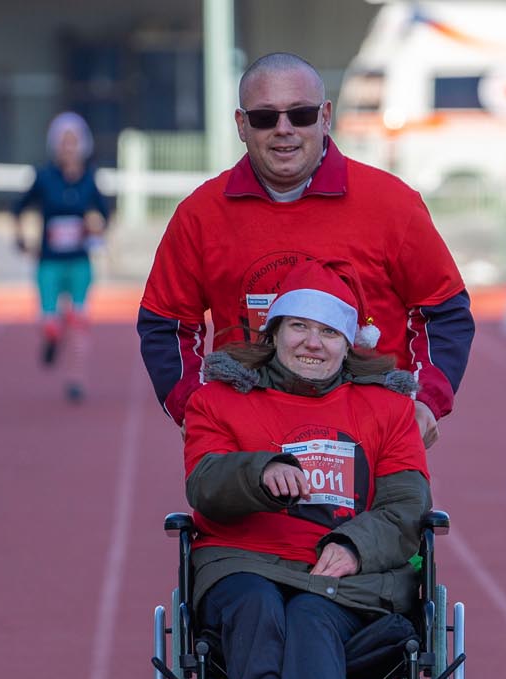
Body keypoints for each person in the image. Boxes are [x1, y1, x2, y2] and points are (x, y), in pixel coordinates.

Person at [185, 258, 432, 679]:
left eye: (327, 331)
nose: (312, 342)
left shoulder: (386, 409)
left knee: (310, 611)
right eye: (297, 327)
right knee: (258, 605)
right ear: (272, 333)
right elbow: (204, 484)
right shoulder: (218, 401)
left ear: (349, 341)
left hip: (344, 581)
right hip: (245, 563)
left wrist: (354, 543)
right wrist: (258, 472)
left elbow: (408, 508)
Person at [138, 52, 475, 449]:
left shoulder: (392, 205)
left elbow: (444, 311)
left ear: (325, 116)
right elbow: (166, 323)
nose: (284, 129)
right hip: (245, 444)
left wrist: (427, 400)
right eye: (265, 117)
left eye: (300, 114)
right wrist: (193, 406)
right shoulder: (200, 214)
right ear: (242, 125)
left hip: (371, 442)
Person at [11, 112, 110, 401]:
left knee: (80, 319)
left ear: (83, 144)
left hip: (79, 260)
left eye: (74, 141)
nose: (69, 147)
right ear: (55, 144)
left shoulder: (91, 178)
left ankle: (76, 378)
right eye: (64, 141)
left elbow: (104, 214)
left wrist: (97, 227)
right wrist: (22, 239)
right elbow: (18, 207)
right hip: (49, 261)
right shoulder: (43, 177)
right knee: (51, 322)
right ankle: (51, 337)